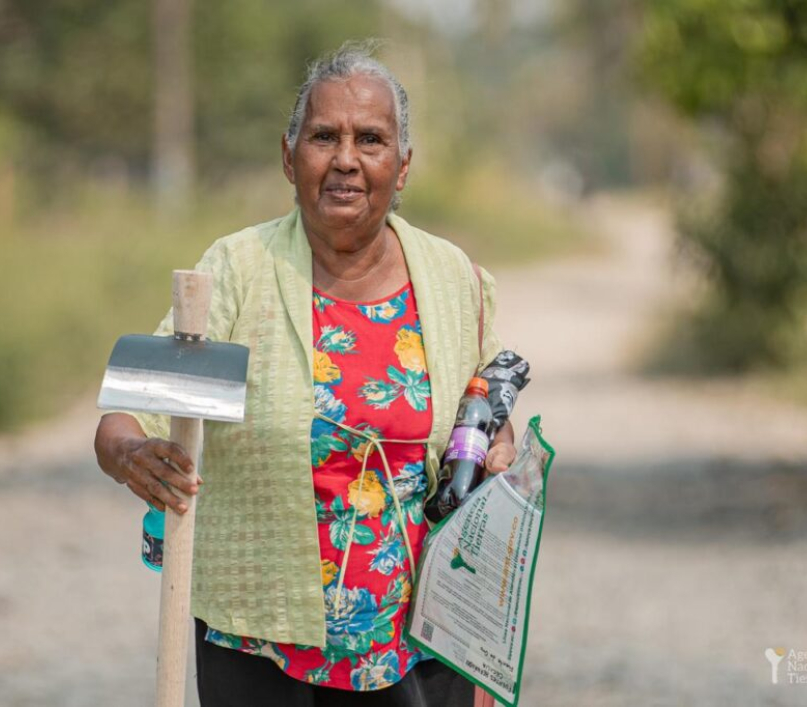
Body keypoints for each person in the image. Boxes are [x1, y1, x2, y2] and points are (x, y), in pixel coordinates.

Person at [94, 44, 517, 707]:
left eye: (370, 139)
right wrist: (130, 454)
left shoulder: (452, 280)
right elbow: (125, 419)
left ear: (402, 165)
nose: (346, 158)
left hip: (420, 637)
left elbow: (487, 408)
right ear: (289, 158)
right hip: (257, 638)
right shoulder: (236, 270)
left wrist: (499, 447)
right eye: (325, 136)